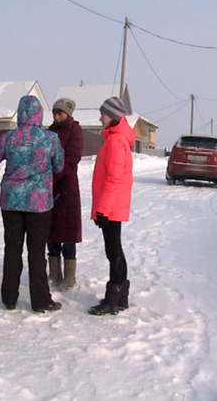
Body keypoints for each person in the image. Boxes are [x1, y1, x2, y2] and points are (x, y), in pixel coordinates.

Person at [0, 96, 64, 313]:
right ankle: (41, 301)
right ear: (39, 113)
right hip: (39, 204)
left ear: (20, 113)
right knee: (37, 253)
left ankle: (9, 298)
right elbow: (59, 166)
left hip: (11, 202)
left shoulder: (10, 137)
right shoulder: (50, 138)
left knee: (12, 249)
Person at [88, 97, 135, 316]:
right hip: (113, 205)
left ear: (113, 116)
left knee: (113, 251)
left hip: (111, 207)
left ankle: (112, 300)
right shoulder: (115, 139)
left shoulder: (116, 141)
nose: (100, 118)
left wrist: (102, 209)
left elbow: (114, 179)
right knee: (115, 250)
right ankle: (121, 297)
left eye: (103, 114)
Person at [47, 98, 83, 291]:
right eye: (54, 113)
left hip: (67, 187)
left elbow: (71, 158)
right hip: (50, 187)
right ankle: (54, 273)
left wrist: (54, 176)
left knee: (68, 232)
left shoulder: (75, 131)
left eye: (59, 113)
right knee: (51, 231)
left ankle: (69, 276)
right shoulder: (50, 131)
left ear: (68, 113)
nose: (56, 116)